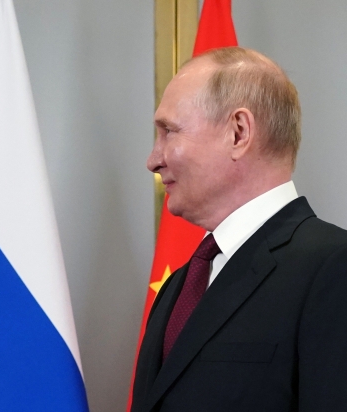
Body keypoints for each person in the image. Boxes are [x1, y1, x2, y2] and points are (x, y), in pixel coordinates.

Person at [131, 47, 347, 411]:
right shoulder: (178, 286)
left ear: (238, 132)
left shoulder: (333, 268)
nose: (153, 160)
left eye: (169, 131)